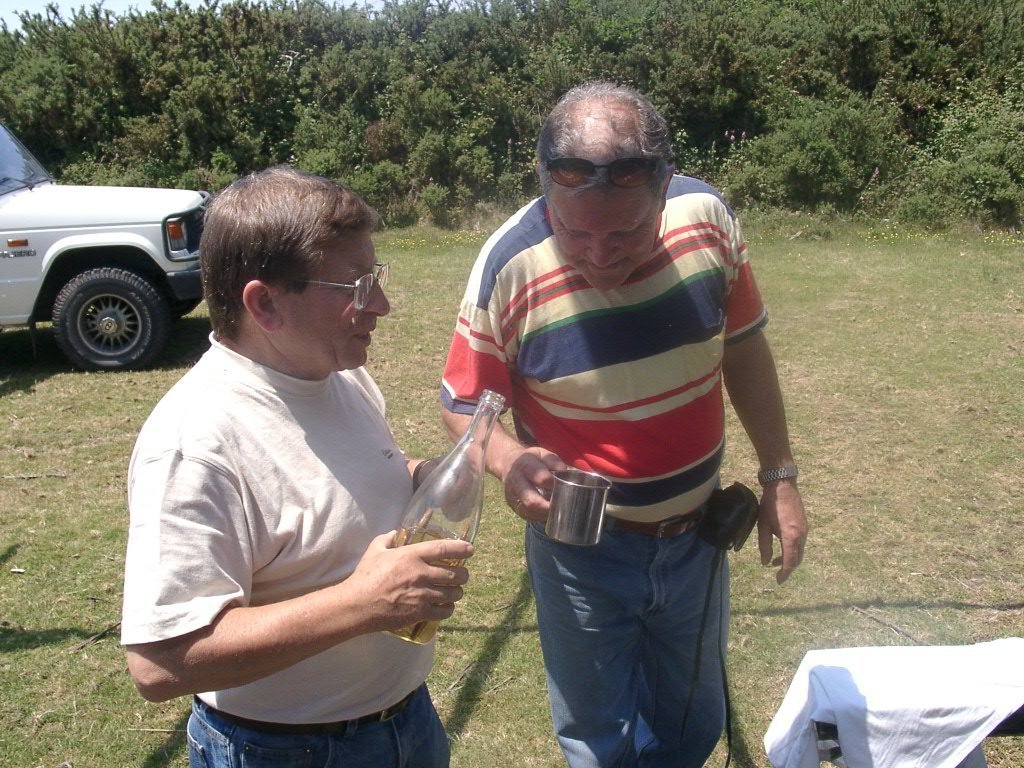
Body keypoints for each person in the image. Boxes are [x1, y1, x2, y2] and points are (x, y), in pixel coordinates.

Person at [439, 82, 808, 768]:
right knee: (598, 740)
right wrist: (509, 461)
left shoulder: (707, 218)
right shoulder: (508, 265)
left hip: (698, 540)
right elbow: (464, 403)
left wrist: (779, 477)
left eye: (626, 232)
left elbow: (743, 345)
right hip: (581, 554)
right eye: (575, 232)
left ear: (664, 189)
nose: (601, 256)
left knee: (692, 724)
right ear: (545, 191)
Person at [120, 165, 469, 768]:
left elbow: (321, 478)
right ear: (265, 303)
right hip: (287, 750)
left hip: (406, 720)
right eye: (356, 286)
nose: (381, 305)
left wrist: (422, 475)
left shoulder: (337, 374)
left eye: (376, 277)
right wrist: (363, 602)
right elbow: (160, 662)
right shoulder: (194, 443)